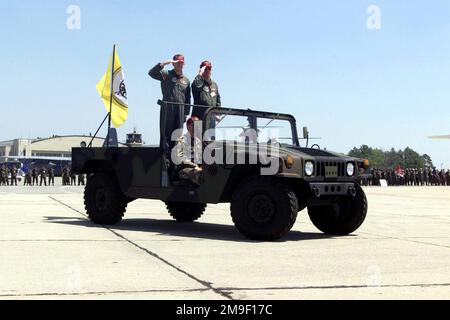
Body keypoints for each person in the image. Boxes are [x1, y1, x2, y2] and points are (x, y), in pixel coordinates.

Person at [149, 54, 191, 148]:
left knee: (178, 136)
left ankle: (175, 160)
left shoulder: (186, 80)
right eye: (178, 62)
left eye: (182, 63)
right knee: (166, 136)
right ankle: (165, 159)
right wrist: (165, 63)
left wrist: (185, 114)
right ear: (173, 64)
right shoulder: (166, 74)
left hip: (180, 111)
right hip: (168, 109)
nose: (180, 64)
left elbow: (188, 98)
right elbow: (151, 73)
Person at [172, 117, 203, 186]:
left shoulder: (198, 141)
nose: (197, 127)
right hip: (184, 169)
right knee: (198, 176)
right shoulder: (182, 140)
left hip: (197, 168)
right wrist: (195, 167)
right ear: (188, 126)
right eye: (195, 125)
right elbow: (181, 159)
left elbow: (201, 157)